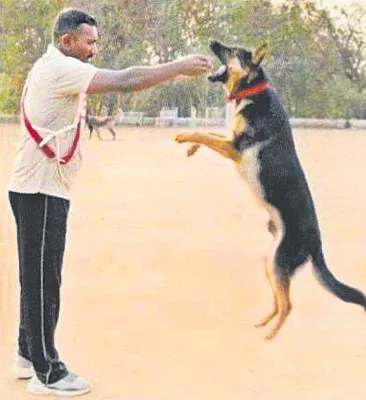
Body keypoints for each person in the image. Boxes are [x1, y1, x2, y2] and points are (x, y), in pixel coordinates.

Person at [7, 8, 212, 397]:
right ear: (67, 41)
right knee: (43, 281)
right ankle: (46, 371)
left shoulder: (51, 64)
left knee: (36, 276)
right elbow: (128, 80)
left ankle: (26, 352)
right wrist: (177, 66)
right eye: (89, 42)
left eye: (96, 42)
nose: (94, 50)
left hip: (39, 187)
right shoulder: (61, 69)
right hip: (41, 190)